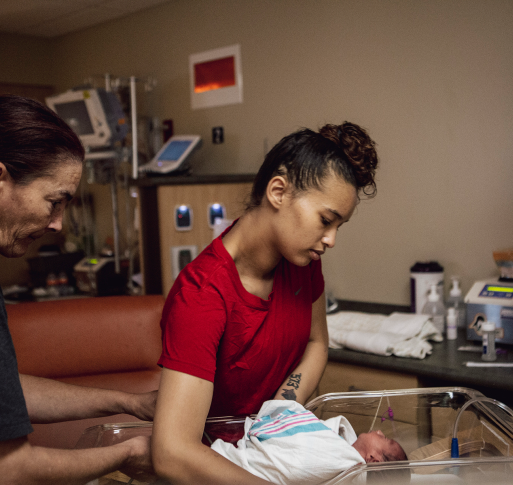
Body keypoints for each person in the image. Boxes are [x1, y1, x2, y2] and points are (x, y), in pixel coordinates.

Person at [0, 95, 156, 485]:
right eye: (55, 202)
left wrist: (127, 402)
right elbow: (1, 470)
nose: (58, 224)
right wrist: (127, 453)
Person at [152, 122, 379, 483]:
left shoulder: (302, 263)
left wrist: (281, 412)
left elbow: (317, 343)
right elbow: (172, 453)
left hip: (281, 453)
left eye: (339, 226)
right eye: (326, 220)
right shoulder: (202, 294)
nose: (331, 239)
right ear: (278, 191)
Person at [210, 400, 407, 485]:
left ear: (373, 461)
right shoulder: (340, 444)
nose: (380, 431)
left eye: (384, 439)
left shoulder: (340, 461)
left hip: (233, 466)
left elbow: (298, 463)